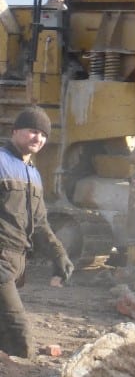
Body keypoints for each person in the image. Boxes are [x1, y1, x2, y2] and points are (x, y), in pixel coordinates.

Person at [0, 106, 73, 357]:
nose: (38, 138)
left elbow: (40, 223)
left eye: (43, 134)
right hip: (1, 261)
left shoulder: (33, 174)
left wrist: (58, 254)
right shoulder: (1, 162)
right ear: (15, 131)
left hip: (16, 263)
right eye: (33, 131)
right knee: (20, 340)